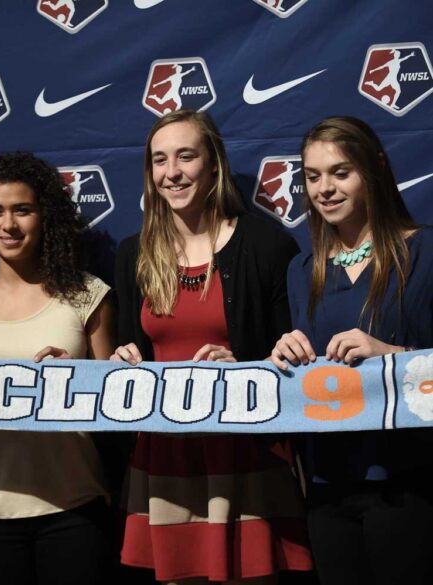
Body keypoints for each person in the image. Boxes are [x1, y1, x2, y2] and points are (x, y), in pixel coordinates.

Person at [111, 109, 312, 584]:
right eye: (159, 160)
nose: (172, 172)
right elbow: (127, 352)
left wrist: (242, 367)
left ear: (214, 164)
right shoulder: (133, 254)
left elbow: (295, 359)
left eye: (186, 156)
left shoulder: (264, 244)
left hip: (246, 455)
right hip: (165, 456)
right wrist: (120, 361)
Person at [270, 116, 433, 585]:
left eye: (341, 172)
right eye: (313, 176)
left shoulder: (424, 252)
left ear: (375, 170)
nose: (325, 188)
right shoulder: (302, 271)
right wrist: (283, 355)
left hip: (409, 485)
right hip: (328, 490)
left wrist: (393, 354)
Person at [0, 152, 115, 585]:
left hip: (75, 507)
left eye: (23, 210)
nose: (8, 225)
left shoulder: (88, 294)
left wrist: (80, 377)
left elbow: (116, 405)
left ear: (45, 215)